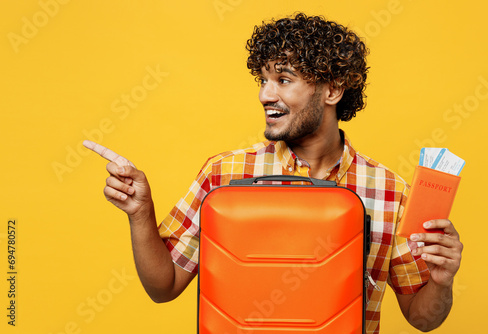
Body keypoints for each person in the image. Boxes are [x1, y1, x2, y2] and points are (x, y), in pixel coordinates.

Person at [84, 13, 463, 333]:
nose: (265, 95)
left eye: (283, 80)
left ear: (332, 90)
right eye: (263, 80)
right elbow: (163, 286)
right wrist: (140, 214)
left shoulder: (390, 191)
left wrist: (442, 281)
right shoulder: (225, 174)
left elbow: (421, 318)